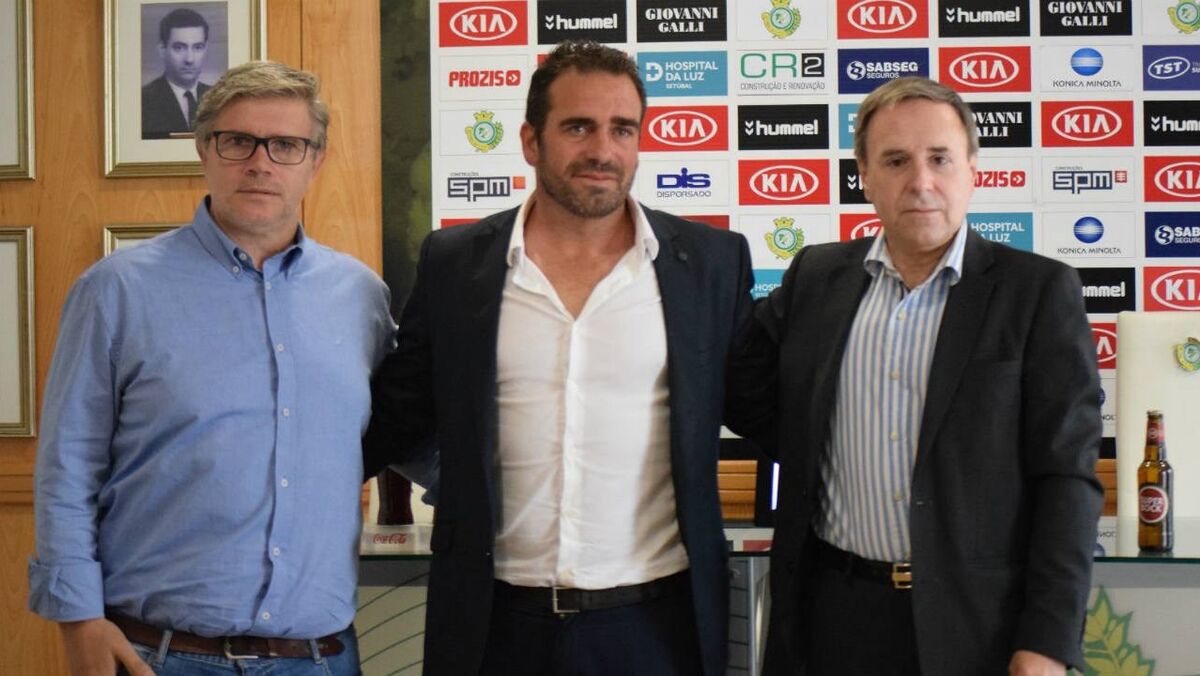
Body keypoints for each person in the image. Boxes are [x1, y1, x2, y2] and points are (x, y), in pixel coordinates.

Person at [363, 40, 756, 675]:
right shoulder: (454, 264)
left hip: (656, 628)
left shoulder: (709, 264)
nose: (602, 149)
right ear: (530, 141)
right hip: (494, 627)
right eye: (578, 127)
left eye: (622, 129)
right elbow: (394, 417)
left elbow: (768, 407)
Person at [30, 61, 395, 675]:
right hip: (158, 656)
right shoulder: (116, 291)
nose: (261, 163)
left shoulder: (362, 297)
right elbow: (68, 467)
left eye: (286, 145)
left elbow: (407, 430)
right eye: (237, 141)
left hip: (320, 659)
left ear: (316, 161)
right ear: (204, 149)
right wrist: (78, 622)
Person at [750, 77, 1103, 675]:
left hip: (976, 627)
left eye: (940, 158)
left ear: (972, 171)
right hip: (832, 617)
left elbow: (1066, 479)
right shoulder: (816, 277)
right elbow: (749, 391)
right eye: (896, 161)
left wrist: (1047, 641)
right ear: (864, 175)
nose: (920, 182)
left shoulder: (1037, 292)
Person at [142, 7, 212, 139]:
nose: (189, 59)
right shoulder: (143, 101)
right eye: (179, 48)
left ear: (206, 49)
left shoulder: (218, 99)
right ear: (162, 50)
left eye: (198, 47)